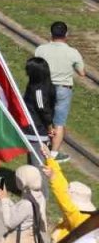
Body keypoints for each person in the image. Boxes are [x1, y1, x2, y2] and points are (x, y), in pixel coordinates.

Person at [35, 21, 84, 162]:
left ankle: (41, 147)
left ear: (51, 33)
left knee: (44, 117)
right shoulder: (72, 52)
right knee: (59, 123)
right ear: (66, 34)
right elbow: (82, 73)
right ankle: (54, 155)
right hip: (63, 89)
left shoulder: (41, 49)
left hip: (45, 88)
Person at [0, 164, 47, 243]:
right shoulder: (39, 196)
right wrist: (6, 198)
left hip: (20, 238)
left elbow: (9, 223)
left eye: (18, 179)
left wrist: (3, 200)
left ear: (23, 181)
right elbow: (19, 211)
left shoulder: (27, 204)